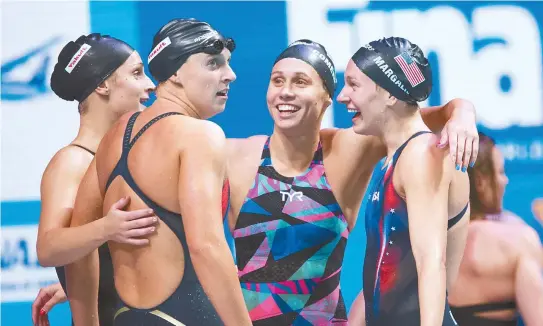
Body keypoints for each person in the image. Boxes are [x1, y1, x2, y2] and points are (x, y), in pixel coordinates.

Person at [225, 39, 477, 325]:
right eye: (277, 81)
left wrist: (463, 113)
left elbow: (416, 114)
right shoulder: (233, 156)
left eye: (300, 82)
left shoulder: (352, 149)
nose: (285, 92)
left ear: (325, 98)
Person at [65, 18, 252, 326]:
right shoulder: (200, 135)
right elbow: (206, 246)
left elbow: (79, 246)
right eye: (213, 64)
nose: (230, 75)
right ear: (175, 72)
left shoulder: (115, 136)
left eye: (227, 64)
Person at [337, 37, 471, 326]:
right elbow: (387, 275)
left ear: (388, 93)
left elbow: (431, 263)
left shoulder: (423, 154)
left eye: (353, 85)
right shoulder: (393, 159)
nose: (342, 96)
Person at [34, 33, 156, 326]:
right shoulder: (74, 161)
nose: (150, 84)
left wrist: (77, 287)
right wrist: (107, 227)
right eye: (137, 73)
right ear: (102, 85)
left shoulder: (123, 156)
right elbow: (48, 247)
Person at [447, 133, 543, 326]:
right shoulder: (519, 241)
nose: (505, 181)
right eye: (500, 172)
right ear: (481, 181)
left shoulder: (419, 240)